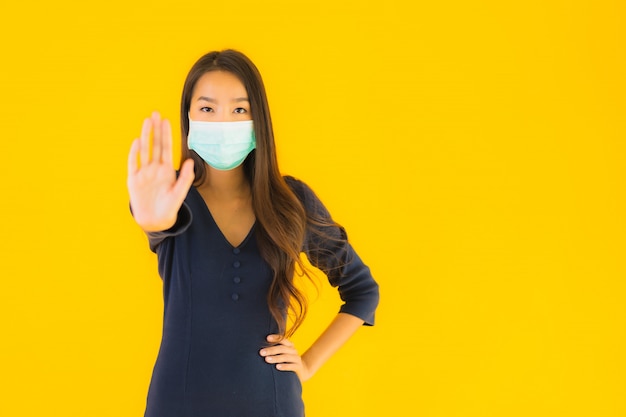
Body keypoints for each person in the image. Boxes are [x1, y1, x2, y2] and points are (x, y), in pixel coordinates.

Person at [127, 49, 380, 417]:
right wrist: (150, 220)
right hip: (177, 403)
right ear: (189, 117)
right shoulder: (171, 201)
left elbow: (362, 291)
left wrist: (308, 364)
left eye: (239, 110)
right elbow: (155, 220)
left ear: (258, 118)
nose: (223, 121)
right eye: (208, 109)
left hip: (271, 403)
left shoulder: (292, 202)